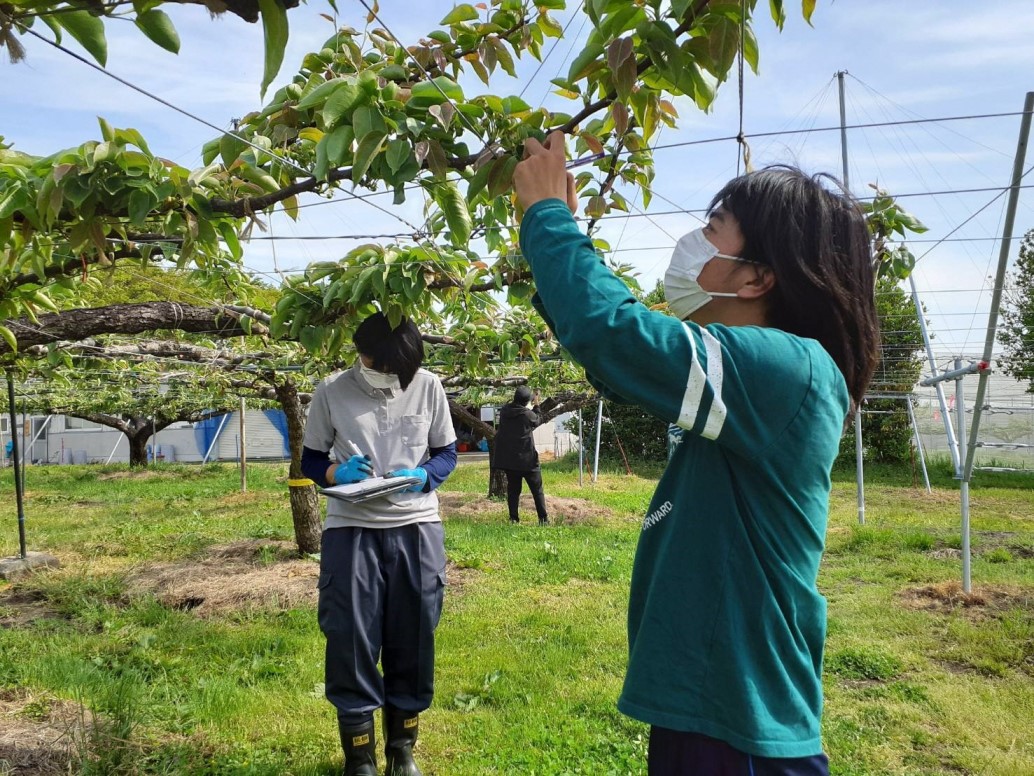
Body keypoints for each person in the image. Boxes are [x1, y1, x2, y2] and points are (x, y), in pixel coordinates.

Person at [512, 132, 880, 775]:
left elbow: (613, 335)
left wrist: (549, 219)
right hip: (714, 703)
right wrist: (557, 256)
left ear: (759, 276)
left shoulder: (786, 366)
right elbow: (618, 363)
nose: (693, 241)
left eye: (714, 228)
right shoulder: (753, 376)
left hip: (737, 723)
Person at [301, 311, 458, 776]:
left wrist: (424, 476)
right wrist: (334, 473)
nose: (388, 376)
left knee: (414, 630)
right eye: (378, 364)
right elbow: (311, 458)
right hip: (352, 528)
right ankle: (360, 754)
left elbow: (446, 452)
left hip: (416, 526)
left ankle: (401, 749)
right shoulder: (331, 390)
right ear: (362, 354)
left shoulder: (427, 385)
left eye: (397, 369)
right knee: (350, 636)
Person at [492, 385, 549, 525]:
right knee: (537, 491)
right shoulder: (526, 414)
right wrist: (537, 404)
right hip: (527, 460)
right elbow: (537, 420)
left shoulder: (505, 411)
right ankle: (543, 519)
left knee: (513, 491)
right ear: (526, 402)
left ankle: (513, 519)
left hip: (510, 460)